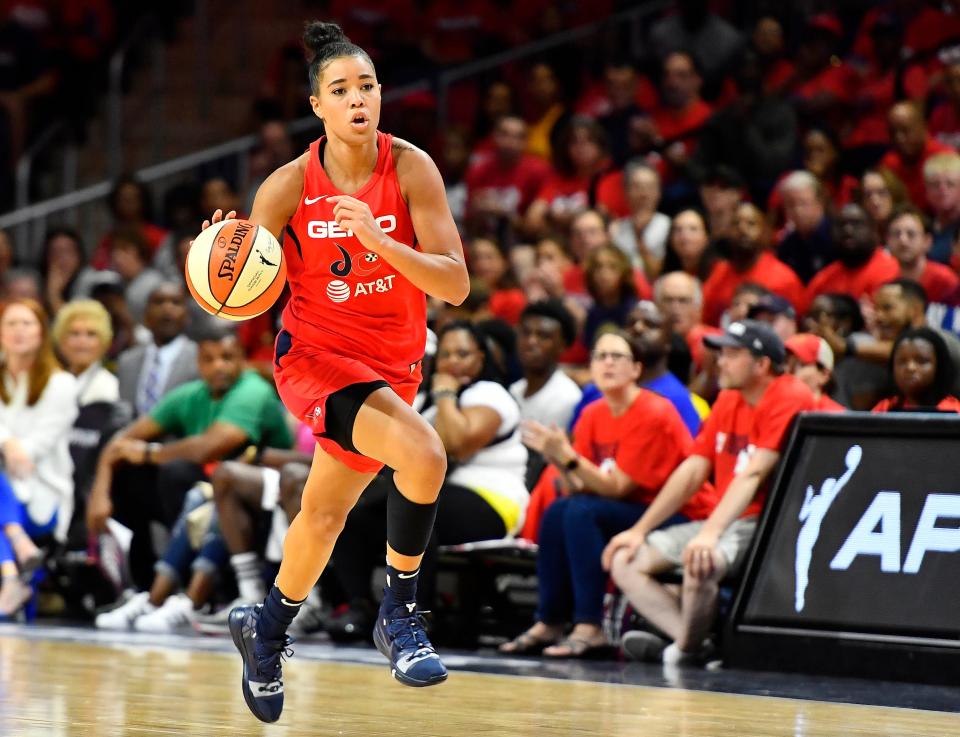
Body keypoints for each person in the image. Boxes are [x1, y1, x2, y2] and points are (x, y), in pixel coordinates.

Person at [201, 21, 469, 722]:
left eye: (368, 87)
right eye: (341, 90)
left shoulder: (411, 168)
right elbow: (245, 297)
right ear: (316, 105)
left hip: (393, 365)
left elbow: (456, 284)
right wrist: (217, 270)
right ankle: (400, 614)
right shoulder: (287, 186)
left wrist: (380, 240)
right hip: (316, 360)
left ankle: (265, 630)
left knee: (321, 515)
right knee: (425, 453)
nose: (359, 100)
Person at [604, 320, 814, 665]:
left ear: (761, 364)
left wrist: (710, 535)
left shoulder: (788, 393)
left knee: (702, 561)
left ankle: (682, 650)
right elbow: (692, 469)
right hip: (723, 515)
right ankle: (692, 643)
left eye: (732, 354)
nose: (720, 362)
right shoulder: (729, 398)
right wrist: (638, 531)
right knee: (625, 560)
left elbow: (755, 472)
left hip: (767, 520)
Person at [499, 331, 709, 658]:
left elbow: (617, 487)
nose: (607, 363)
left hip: (677, 512)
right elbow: (577, 485)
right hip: (624, 507)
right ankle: (550, 620)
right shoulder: (593, 413)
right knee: (560, 509)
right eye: (600, 356)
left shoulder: (654, 412)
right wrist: (558, 458)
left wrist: (568, 458)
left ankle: (590, 626)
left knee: (580, 511)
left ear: (636, 369)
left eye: (617, 356)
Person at [327, 321, 528, 635]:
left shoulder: (490, 394)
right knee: (355, 517)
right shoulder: (428, 403)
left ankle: (414, 618)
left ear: (482, 358)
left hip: (492, 500)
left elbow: (457, 445)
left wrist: (446, 392)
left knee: (416, 513)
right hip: (442, 495)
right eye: (446, 354)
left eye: (462, 354)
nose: (452, 362)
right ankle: (359, 606)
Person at [701, 202, 803, 326]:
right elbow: (706, 320)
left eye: (751, 224)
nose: (742, 229)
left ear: (765, 232)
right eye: (736, 223)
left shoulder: (785, 279)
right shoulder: (717, 273)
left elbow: (793, 327)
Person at [116, 283, 199, 418]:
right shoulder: (127, 361)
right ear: (145, 315)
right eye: (158, 302)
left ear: (187, 315)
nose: (167, 309)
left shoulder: (199, 359)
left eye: (176, 302)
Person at [804, 204, 900, 312]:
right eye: (841, 225)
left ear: (874, 231)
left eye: (856, 224)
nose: (848, 230)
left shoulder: (890, 269)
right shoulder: (822, 280)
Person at [509, 300, 582, 431]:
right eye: (525, 333)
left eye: (543, 336)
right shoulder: (515, 389)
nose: (531, 342)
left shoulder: (566, 397)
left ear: (563, 346)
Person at [872, 327, 960, 413]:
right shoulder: (884, 409)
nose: (910, 367)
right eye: (902, 361)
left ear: (939, 367)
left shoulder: (954, 411)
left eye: (922, 361)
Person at [609, 161, 670, 278]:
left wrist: (639, 237)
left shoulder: (669, 227)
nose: (643, 194)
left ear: (659, 192)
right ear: (626, 192)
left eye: (650, 187)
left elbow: (660, 274)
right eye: (637, 187)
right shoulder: (616, 229)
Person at [886, 206, 959, 305]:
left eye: (911, 234)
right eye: (896, 234)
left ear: (927, 241)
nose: (903, 241)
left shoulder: (946, 280)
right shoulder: (886, 281)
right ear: (887, 241)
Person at [776, 171, 834, 284]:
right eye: (791, 205)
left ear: (819, 202)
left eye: (803, 203)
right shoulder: (787, 245)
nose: (797, 210)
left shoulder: (836, 236)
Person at [784, 334, 845, 412]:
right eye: (786, 363)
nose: (788, 371)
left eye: (801, 365)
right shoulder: (774, 408)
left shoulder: (836, 416)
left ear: (824, 375)